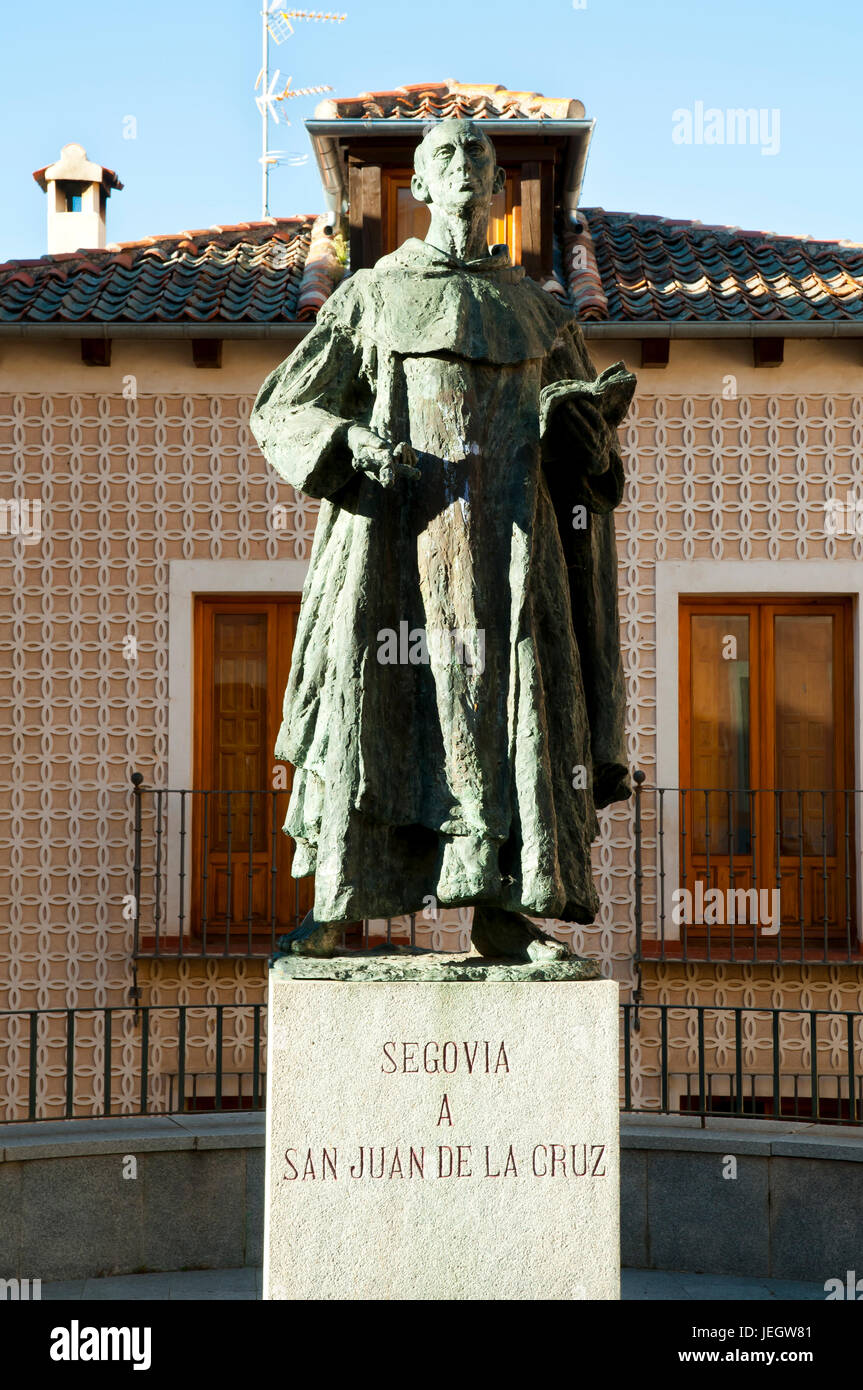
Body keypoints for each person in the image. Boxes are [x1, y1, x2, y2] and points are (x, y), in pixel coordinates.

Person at [250, 118, 635, 961]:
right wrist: (347, 443)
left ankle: (502, 909)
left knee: (515, 716)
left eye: (479, 157)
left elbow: (590, 464)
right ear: (418, 187)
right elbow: (281, 406)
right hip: (396, 552)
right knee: (376, 701)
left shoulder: (540, 313)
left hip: (512, 558)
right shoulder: (370, 297)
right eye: (444, 156)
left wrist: (586, 435)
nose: (464, 166)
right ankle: (340, 901)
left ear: (498, 190)